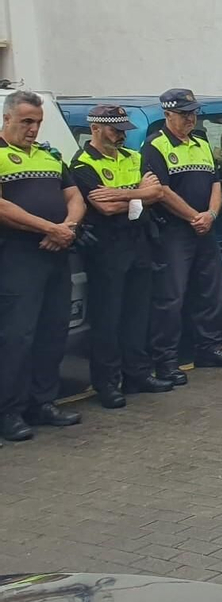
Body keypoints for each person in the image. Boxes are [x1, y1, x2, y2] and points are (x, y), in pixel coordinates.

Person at [69, 105, 171, 410]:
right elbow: (104, 208)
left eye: (124, 130)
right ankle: (108, 383)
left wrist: (122, 194)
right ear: (96, 128)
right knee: (108, 319)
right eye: (115, 130)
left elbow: (157, 194)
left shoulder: (133, 157)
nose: (122, 136)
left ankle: (137, 374)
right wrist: (138, 194)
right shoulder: (83, 163)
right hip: (107, 249)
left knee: (137, 314)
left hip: (138, 243)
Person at [0, 90, 87, 442]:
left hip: (56, 253)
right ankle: (10, 411)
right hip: (18, 255)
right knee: (17, 336)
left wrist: (67, 228)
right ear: (6, 119)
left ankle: (43, 402)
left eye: (37, 122)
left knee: (52, 331)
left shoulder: (50, 156)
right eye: (26, 122)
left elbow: (75, 197)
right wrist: (48, 227)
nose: (33, 129)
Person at [142, 88, 222, 382]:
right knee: (171, 298)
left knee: (211, 292)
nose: (190, 119)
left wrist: (210, 215)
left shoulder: (200, 142)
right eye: (184, 114)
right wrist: (192, 217)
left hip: (205, 227)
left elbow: (215, 183)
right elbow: (160, 191)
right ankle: (166, 361)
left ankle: (208, 348)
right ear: (168, 114)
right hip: (175, 230)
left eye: (193, 113)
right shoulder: (155, 146)